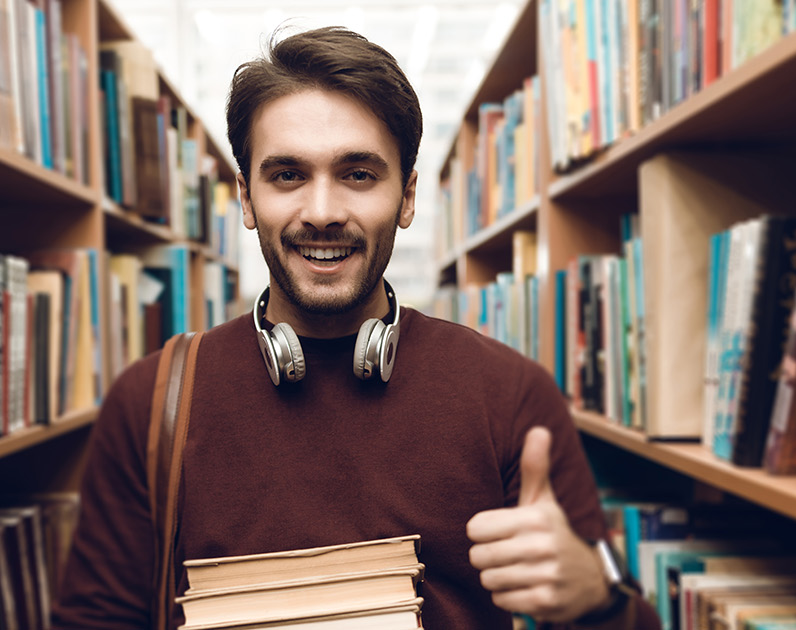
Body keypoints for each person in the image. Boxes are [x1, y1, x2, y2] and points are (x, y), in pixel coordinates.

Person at [52, 26, 662, 630]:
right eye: (287, 175)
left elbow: (614, 605)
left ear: (407, 197)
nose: (322, 213)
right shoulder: (152, 402)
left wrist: (597, 600)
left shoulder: (509, 394)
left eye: (358, 174)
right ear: (244, 197)